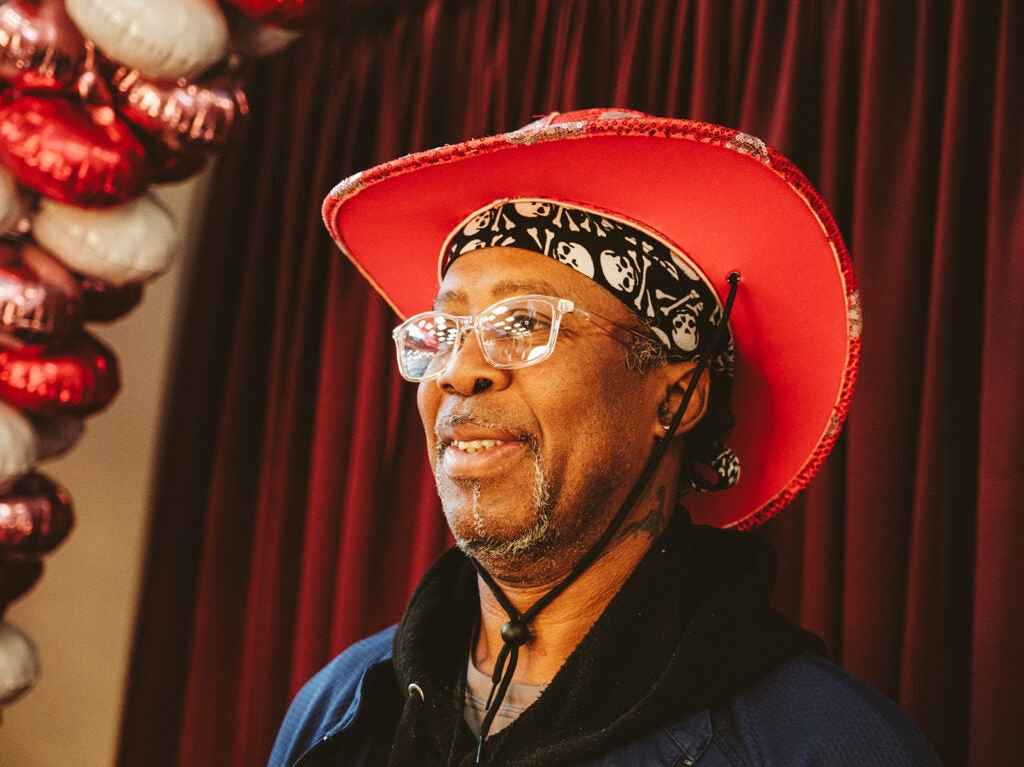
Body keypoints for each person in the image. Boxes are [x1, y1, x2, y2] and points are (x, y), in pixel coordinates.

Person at [270, 109, 940, 766]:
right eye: (444, 333)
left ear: (677, 399)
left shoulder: (827, 744)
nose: (457, 371)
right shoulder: (337, 710)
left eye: (524, 324)